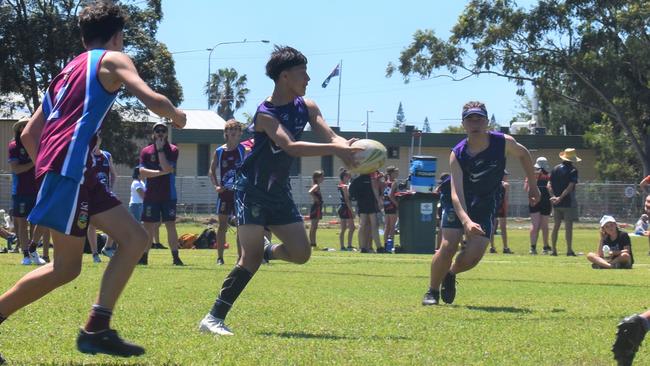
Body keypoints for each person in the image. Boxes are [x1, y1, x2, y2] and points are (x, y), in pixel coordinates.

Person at [0, 2, 186, 360]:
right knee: (65, 268)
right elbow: (151, 98)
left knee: (135, 238)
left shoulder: (66, 71)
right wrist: (176, 115)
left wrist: (52, 169)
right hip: (71, 172)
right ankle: (91, 329)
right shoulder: (113, 58)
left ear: (84, 36)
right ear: (117, 36)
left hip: (74, 172)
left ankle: (98, 327)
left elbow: (29, 136)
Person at [198, 45, 359, 336]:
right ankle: (213, 318)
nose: (308, 78)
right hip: (252, 190)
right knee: (249, 259)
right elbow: (291, 146)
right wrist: (336, 149)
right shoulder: (265, 114)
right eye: (302, 73)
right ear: (285, 77)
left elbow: (331, 135)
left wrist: (347, 146)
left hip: (279, 192)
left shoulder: (307, 106)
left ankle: (267, 252)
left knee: (301, 253)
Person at [422, 101, 540, 306]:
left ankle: (450, 273)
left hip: (486, 200)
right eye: (470, 119)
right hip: (457, 201)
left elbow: (524, 154)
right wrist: (466, 221)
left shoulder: (504, 142)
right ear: (463, 124)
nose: (475, 123)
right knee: (448, 246)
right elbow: (456, 194)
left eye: (479, 118)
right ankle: (432, 291)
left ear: (487, 122)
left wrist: (533, 185)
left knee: (473, 257)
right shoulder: (457, 154)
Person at [138, 121, 183, 265]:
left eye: (163, 131)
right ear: (153, 134)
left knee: (170, 225)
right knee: (148, 226)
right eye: (157, 131)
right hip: (151, 195)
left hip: (168, 195)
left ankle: (176, 257)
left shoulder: (173, 149)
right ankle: (144, 257)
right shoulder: (146, 151)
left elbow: (168, 167)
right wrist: (160, 173)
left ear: (167, 133)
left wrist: (160, 150)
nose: (160, 134)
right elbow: (142, 172)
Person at [8, 118, 47, 266]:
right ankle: (25, 255)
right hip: (21, 191)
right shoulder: (14, 146)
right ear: (19, 129)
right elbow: (16, 169)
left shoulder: (38, 144)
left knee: (39, 221)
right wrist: (34, 161)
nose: (27, 128)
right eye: (24, 126)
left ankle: (33, 250)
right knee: (22, 223)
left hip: (38, 189)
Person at [209, 119, 247, 265]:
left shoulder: (243, 150)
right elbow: (211, 171)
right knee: (222, 226)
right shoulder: (219, 151)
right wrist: (216, 186)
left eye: (237, 129)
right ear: (226, 133)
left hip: (239, 193)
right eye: (231, 129)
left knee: (240, 226)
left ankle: (240, 257)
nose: (234, 132)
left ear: (240, 133)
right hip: (224, 194)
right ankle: (220, 257)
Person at [86, 135, 117, 263]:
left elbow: (113, 174)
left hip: (105, 194)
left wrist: (110, 189)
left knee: (114, 222)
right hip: (91, 195)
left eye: (97, 138)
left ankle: (107, 247)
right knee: (92, 224)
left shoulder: (107, 155)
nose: (95, 141)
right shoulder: (87, 155)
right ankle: (94, 254)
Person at [548, 148, 580, 256]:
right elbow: (570, 187)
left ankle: (554, 250)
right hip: (567, 203)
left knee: (555, 226)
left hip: (556, 204)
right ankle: (569, 250)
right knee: (568, 227)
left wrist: (553, 197)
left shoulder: (555, 169)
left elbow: (549, 185)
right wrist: (560, 198)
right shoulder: (573, 170)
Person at [350, 172, 383, 253]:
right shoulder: (371, 179)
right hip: (371, 203)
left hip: (361, 204)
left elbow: (351, 192)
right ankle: (379, 247)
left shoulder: (356, 180)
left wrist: (357, 198)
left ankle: (362, 247)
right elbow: (376, 190)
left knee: (362, 225)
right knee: (374, 225)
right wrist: (379, 201)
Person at [526, 157, 552, 255]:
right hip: (545, 200)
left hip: (533, 199)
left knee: (535, 225)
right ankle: (545, 247)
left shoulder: (531, 175)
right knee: (544, 225)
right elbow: (550, 188)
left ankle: (532, 248)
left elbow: (526, 188)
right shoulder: (549, 176)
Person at [489, 174, 512, 254]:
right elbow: (506, 198)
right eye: (505, 175)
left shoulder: (492, 183)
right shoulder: (505, 184)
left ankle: (492, 247)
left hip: (493, 206)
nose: (506, 177)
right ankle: (505, 247)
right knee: (503, 228)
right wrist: (506, 208)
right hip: (501, 207)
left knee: (492, 228)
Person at [337, 169, 355, 251]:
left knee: (343, 228)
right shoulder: (344, 186)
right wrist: (352, 211)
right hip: (346, 208)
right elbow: (347, 200)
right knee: (352, 227)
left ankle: (342, 246)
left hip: (342, 207)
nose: (349, 178)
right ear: (344, 177)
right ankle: (349, 245)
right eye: (348, 176)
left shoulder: (341, 185)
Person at [383, 166, 399, 249]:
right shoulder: (394, 183)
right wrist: (397, 205)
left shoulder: (385, 182)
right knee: (392, 226)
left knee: (387, 226)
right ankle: (390, 245)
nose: (397, 174)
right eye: (396, 172)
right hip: (392, 205)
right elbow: (390, 195)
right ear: (391, 173)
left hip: (386, 205)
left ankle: (386, 244)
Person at [434, 173, 451, 251]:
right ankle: (438, 247)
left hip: (443, 207)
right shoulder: (444, 188)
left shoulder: (441, 188)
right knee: (441, 228)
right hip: (444, 208)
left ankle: (462, 245)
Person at [308, 170, 324, 247]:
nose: (323, 178)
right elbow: (310, 192)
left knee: (314, 226)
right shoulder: (316, 185)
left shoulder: (316, 185)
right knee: (314, 226)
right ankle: (312, 243)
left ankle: (312, 243)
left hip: (318, 207)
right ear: (317, 178)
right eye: (321, 177)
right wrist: (315, 198)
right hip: (316, 207)